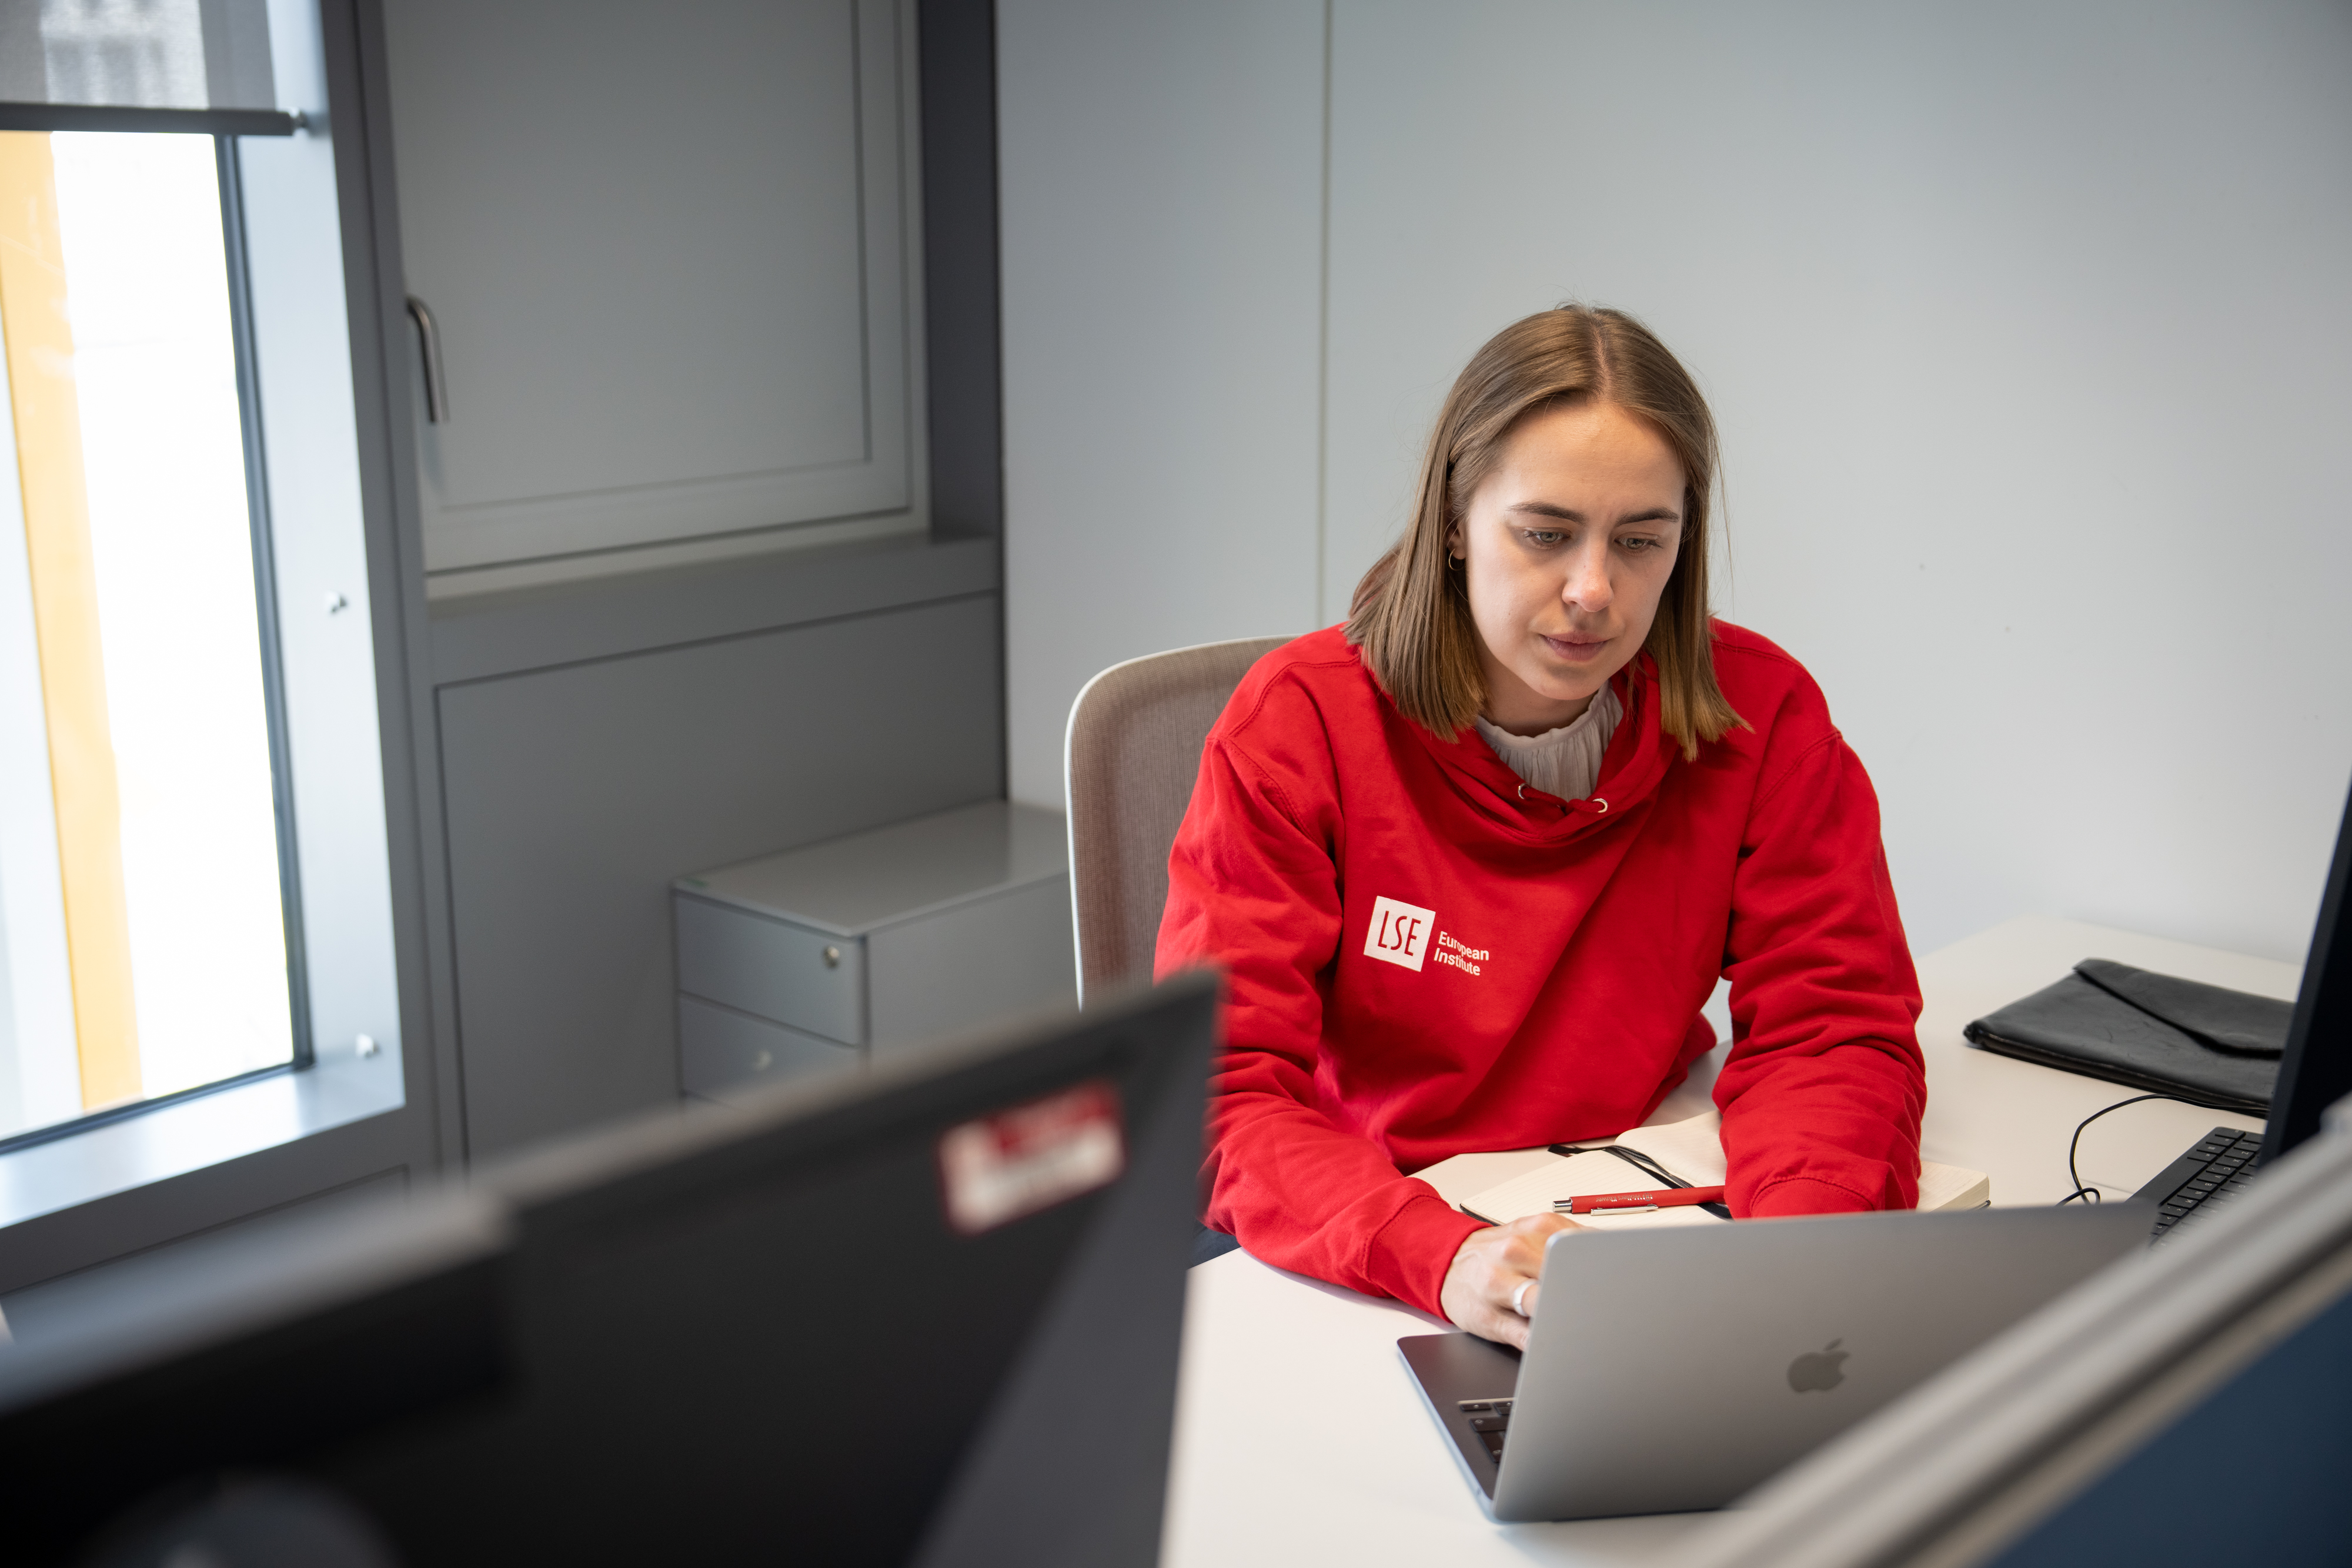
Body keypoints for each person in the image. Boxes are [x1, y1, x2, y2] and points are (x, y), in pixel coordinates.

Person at [1155, 305, 1925, 1349]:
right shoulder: (1300, 724)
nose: (1593, 591)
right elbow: (1221, 1092)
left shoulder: (1763, 714)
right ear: (1454, 523)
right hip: (1372, 1230)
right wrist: (1445, 1256)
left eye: (1641, 541)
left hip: (1640, 1188)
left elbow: (1831, 1030)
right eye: (1546, 534)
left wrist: (1791, 1267)